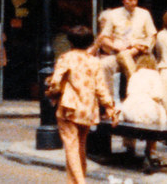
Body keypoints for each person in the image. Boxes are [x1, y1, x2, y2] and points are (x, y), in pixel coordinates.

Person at [47, 25, 117, 184]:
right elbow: (101, 87)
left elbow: (56, 81)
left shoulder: (66, 58)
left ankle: (80, 182)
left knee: (71, 148)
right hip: (87, 109)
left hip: (68, 107)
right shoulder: (94, 62)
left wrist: (53, 93)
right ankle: (75, 180)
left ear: (70, 42)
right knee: (80, 148)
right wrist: (109, 107)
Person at [97, 0, 157, 99]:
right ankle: (109, 101)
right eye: (130, 0)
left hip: (140, 52)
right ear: (123, 1)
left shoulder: (144, 14)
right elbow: (104, 37)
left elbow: (152, 35)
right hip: (119, 51)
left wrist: (143, 47)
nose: (133, 3)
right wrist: (115, 46)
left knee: (128, 57)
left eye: (135, 0)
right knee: (104, 65)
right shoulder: (113, 15)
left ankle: (137, 91)